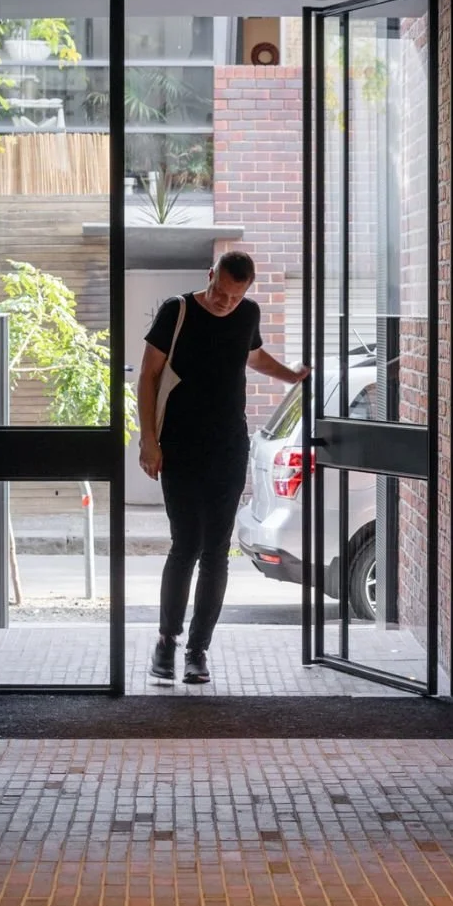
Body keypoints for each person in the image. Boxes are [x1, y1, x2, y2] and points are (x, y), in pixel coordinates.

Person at [138, 251, 308, 684]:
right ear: (209, 276)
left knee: (216, 553)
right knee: (185, 546)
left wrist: (291, 376)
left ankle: (198, 651)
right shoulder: (176, 311)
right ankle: (166, 642)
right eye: (219, 293)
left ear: (246, 291)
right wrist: (149, 441)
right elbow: (148, 376)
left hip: (229, 450)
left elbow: (253, 356)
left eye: (234, 297)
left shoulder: (247, 313)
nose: (224, 303)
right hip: (179, 449)